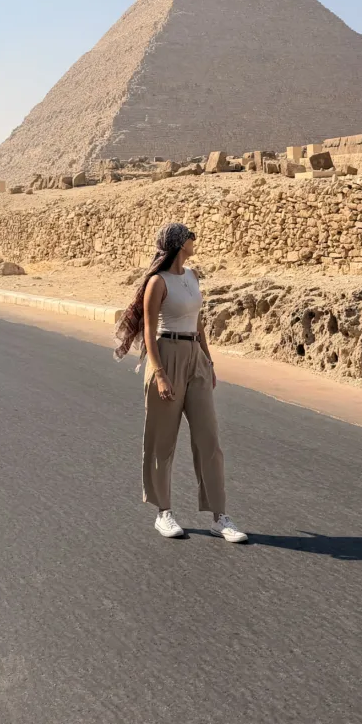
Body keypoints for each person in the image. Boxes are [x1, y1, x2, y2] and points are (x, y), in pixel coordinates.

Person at [114, 222, 247, 543]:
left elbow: (198, 324)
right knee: (162, 441)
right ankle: (164, 512)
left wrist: (208, 361)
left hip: (194, 356)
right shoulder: (157, 282)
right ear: (177, 244)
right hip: (166, 355)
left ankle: (220, 517)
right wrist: (159, 374)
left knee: (209, 438)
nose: (194, 239)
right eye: (189, 236)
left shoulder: (192, 276)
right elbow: (149, 331)